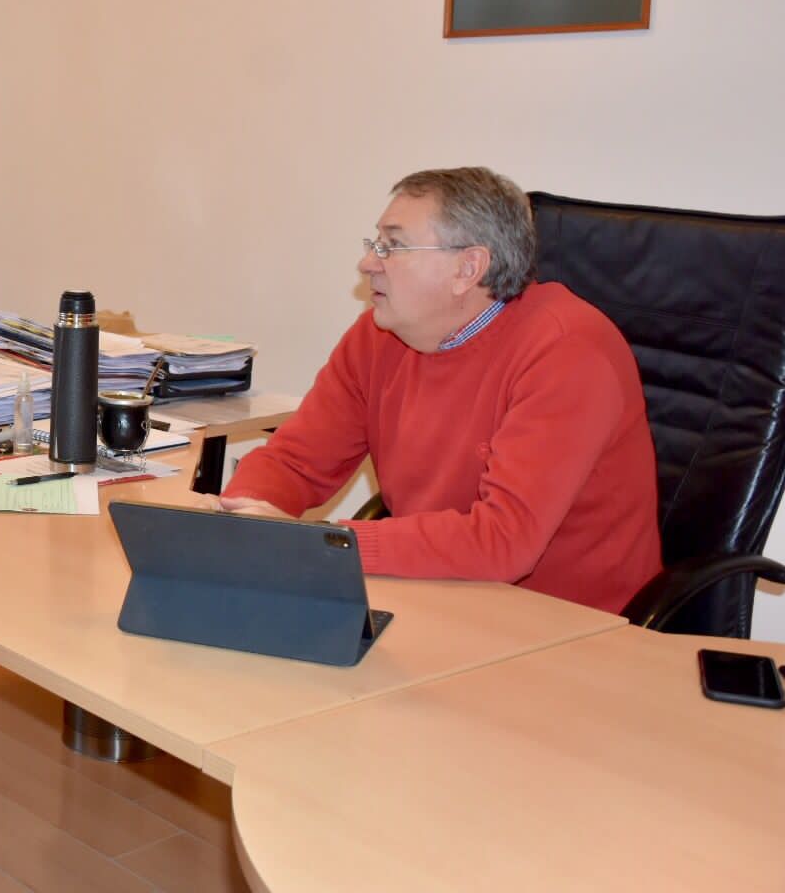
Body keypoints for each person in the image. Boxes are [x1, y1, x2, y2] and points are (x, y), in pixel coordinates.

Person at [219, 166, 662, 615]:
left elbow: (503, 541)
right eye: (376, 244)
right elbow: (298, 461)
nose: (368, 262)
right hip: (437, 599)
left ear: (468, 268)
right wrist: (238, 517)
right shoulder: (380, 335)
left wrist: (327, 545)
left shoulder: (568, 352)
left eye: (392, 246)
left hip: (564, 628)